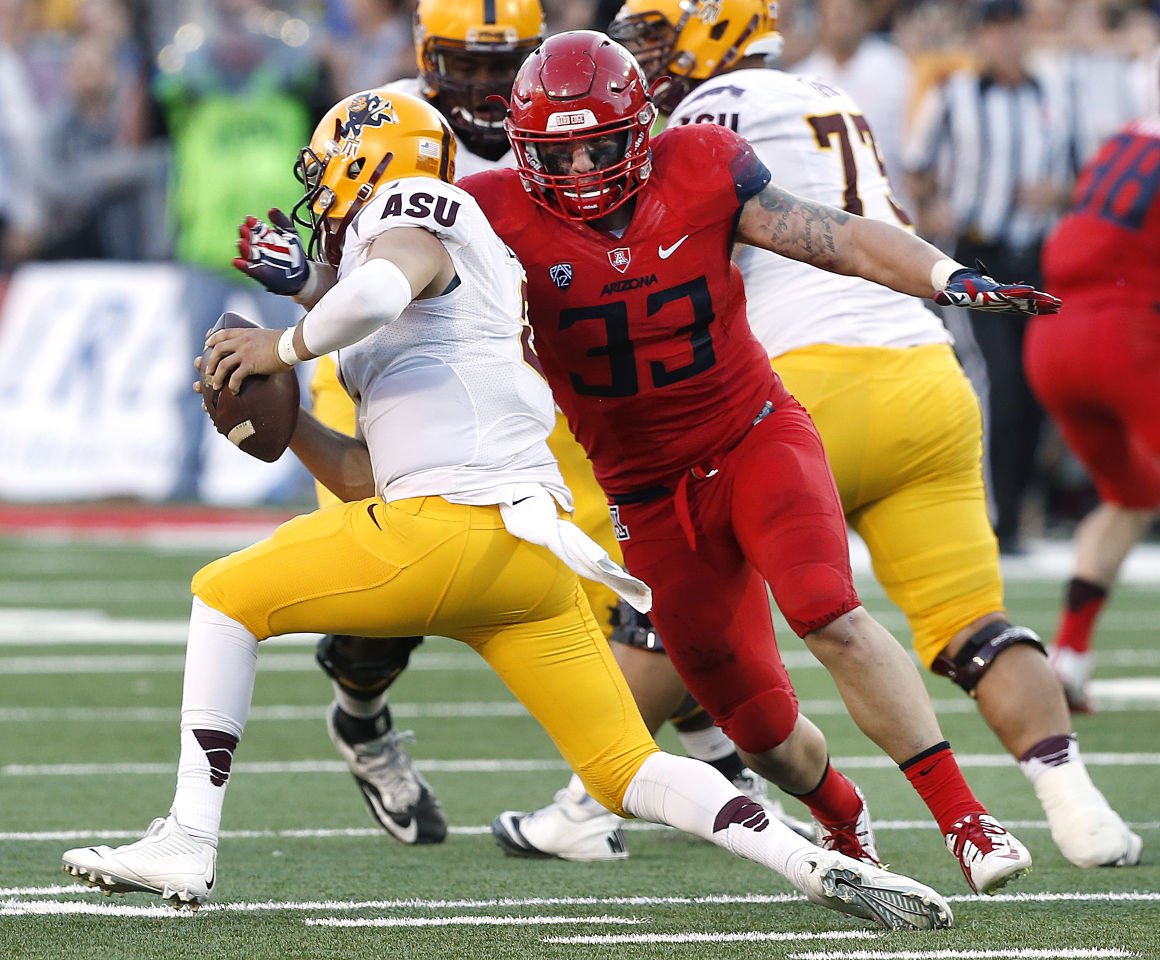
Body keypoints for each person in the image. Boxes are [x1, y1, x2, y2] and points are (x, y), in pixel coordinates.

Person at [58, 88, 955, 932]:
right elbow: (369, 476)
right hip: (523, 555)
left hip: (454, 528)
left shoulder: (407, 204)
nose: (319, 195)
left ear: (364, 164)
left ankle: (186, 838)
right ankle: (816, 865)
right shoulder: (434, 260)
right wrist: (289, 422)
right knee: (624, 769)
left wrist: (283, 341)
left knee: (223, 594)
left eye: (327, 170)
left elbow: (376, 289)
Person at [494, 0, 1141, 874]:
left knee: (823, 606)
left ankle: (965, 820)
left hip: (757, 426)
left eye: (601, 144)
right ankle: (853, 814)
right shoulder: (487, 211)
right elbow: (403, 280)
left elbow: (834, 236)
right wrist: (306, 316)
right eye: (558, 152)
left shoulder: (701, 150)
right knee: (759, 724)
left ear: (640, 126)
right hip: (658, 486)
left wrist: (947, 275)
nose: (580, 167)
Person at [234, 0, 810, 850]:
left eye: (496, 69)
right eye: (461, 66)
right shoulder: (393, 124)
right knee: (381, 585)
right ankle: (363, 719)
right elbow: (365, 273)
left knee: (627, 586)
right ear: (427, 58)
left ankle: (705, 751)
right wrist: (305, 280)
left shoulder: (566, 109)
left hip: (531, 378)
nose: (479, 86)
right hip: (386, 374)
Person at [903, 0, 1073, 555]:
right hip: (977, 257)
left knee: (1033, 386)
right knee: (996, 382)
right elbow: (916, 164)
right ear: (982, 38)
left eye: (1012, 31)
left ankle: (1015, 517)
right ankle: (991, 517)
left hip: (1034, 256)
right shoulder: (954, 95)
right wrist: (931, 213)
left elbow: (1075, 175)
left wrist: (1058, 195)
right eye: (995, 32)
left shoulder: (1049, 95)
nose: (1005, 42)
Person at [1025, 97, 1160, 717]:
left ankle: (1070, 658)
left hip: (1053, 334)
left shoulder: (1126, 133)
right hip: (1125, 329)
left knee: (1132, 496)